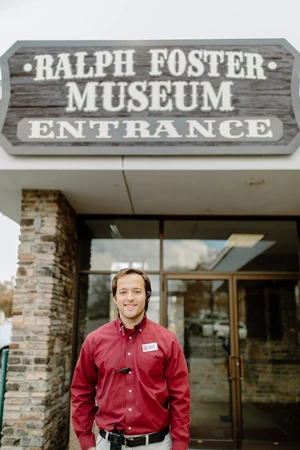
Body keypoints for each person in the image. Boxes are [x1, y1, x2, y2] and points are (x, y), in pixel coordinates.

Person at [71, 267, 190, 450]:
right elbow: (81, 392)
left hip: (156, 445)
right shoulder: (94, 341)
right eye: (123, 292)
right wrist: (87, 441)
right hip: (108, 444)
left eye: (137, 291)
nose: (130, 298)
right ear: (115, 298)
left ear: (147, 295)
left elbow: (180, 396)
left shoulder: (167, 340)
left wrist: (180, 443)